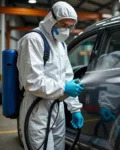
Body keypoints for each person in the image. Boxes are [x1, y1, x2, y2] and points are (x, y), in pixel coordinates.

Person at [17, 1, 84, 150]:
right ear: (51, 20)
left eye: (70, 26)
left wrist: (75, 109)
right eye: (63, 25)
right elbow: (32, 81)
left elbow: (67, 77)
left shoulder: (61, 45)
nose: (66, 30)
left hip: (57, 108)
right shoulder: (34, 40)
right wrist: (64, 87)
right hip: (36, 110)